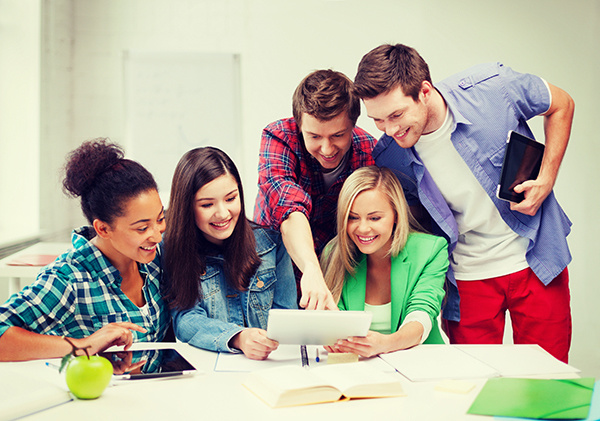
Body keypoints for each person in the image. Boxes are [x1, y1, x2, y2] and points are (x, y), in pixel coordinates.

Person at [354, 43, 574, 362]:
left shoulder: (493, 88)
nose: (389, 129)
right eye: (377, 120)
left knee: (550, 380)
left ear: (425, 91)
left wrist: (547, 177)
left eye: (397, 114)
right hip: (467, 278)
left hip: (535, 257)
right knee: (473, 387)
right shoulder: (390, 155)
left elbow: (562, 104)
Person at [0, 139, 171, 361]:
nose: (157, 235)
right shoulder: (69, 279)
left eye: (160, 219)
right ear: (103, 228)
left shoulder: (153, 260)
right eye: (142, 228)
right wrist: (83, 346)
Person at [254, 69, 376, 311]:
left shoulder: (369, 152)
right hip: (272, 267)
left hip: (338, 272)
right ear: (299, 125)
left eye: (338, 135)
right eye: (314, 136)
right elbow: (290, 211)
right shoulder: (278, 137)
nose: (327, 148)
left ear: (353, 124)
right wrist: (311, 269)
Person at [164, 147, 297, 360]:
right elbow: (185, 319)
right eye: (207, 204)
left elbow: (287, 317)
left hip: (268, 366)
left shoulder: (271, 244)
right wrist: (237, 338)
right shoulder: (171, 248)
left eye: (230, 199)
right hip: (210, 372)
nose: (223, 213)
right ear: (187, 207)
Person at [321, 166, 448, 357]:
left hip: (421, 363)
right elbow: (333, 321)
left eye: (374, 218)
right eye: (353, 217)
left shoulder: (430, 250)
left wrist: (387, 343)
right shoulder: (334, 253)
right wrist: (331, 336)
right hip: (357, 368)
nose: (363, 228)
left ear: (396, 215)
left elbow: (422, 314)